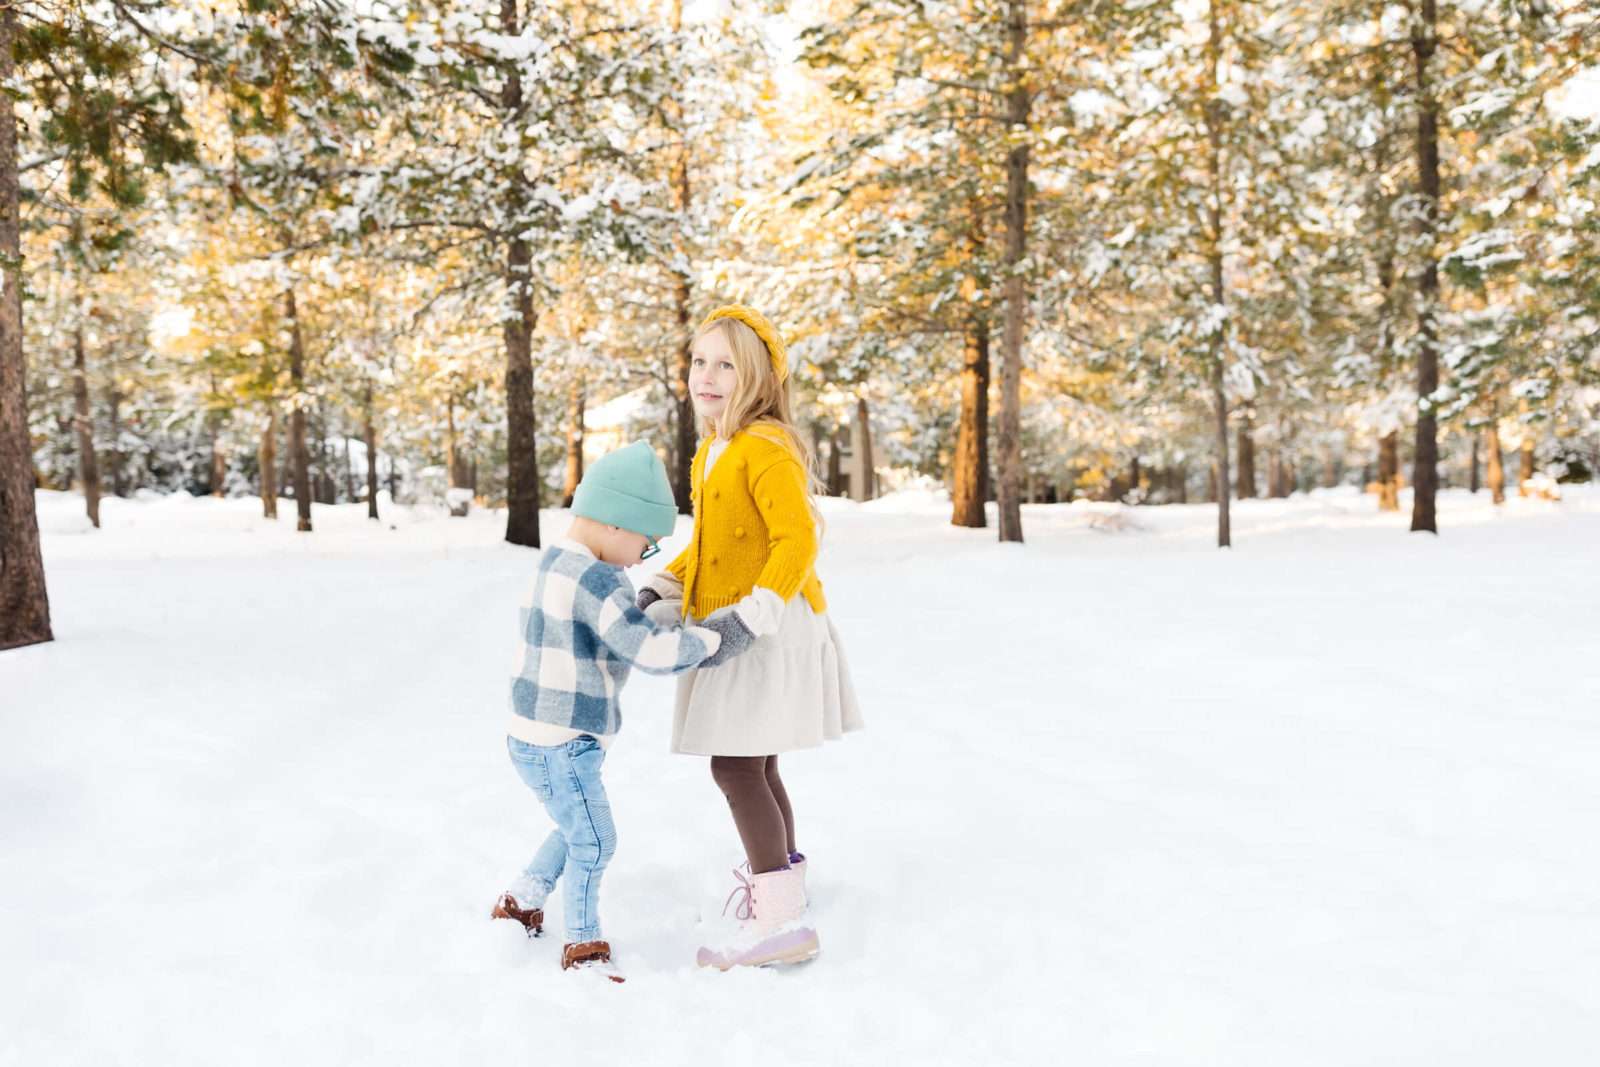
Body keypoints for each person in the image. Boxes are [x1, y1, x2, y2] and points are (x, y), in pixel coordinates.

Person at [636, 305, 864, 970]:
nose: (706, 376)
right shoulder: (714, 450)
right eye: (699, 361)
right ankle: (782, 888)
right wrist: (663, 584)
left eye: (726, 365)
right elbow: (710, 547)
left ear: (759, 379)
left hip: (767, 626)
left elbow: (796, 540)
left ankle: (780, 921)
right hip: (742, 622)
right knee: (757, 765)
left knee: (734, 766)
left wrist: (750, 616)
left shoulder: (763, 446)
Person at [492, 440, 753, 982]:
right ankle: (583, 945)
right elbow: (647, 652)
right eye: (646, 542)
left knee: (574, 826)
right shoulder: (598, 577)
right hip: (564, 741)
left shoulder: (555, 562)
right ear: (615, 521)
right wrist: (715, 638)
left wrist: (648, 614)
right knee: (594, 839)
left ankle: (521, 902)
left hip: (530, 736)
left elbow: (602, 633)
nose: (641, 558)